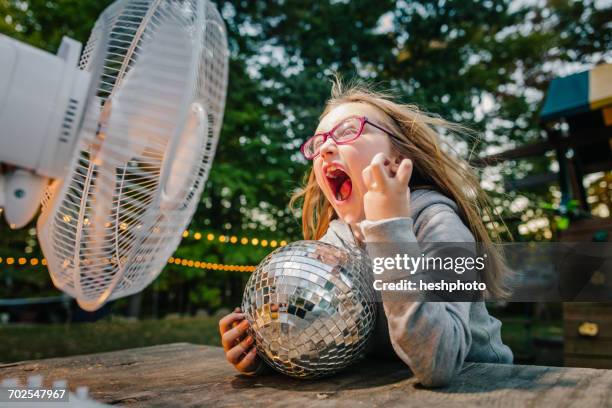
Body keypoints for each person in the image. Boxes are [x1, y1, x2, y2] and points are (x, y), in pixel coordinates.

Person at [219, 78, 513, 387]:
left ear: (397, 157)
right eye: (318, 143)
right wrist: (269, 354)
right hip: (386, 389)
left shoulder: (438, 223)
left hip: (485, 385)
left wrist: (389, 229)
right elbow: (324, 337)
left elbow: (439, 361)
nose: (326, 148)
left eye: (348, 131)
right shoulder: (334, 244)